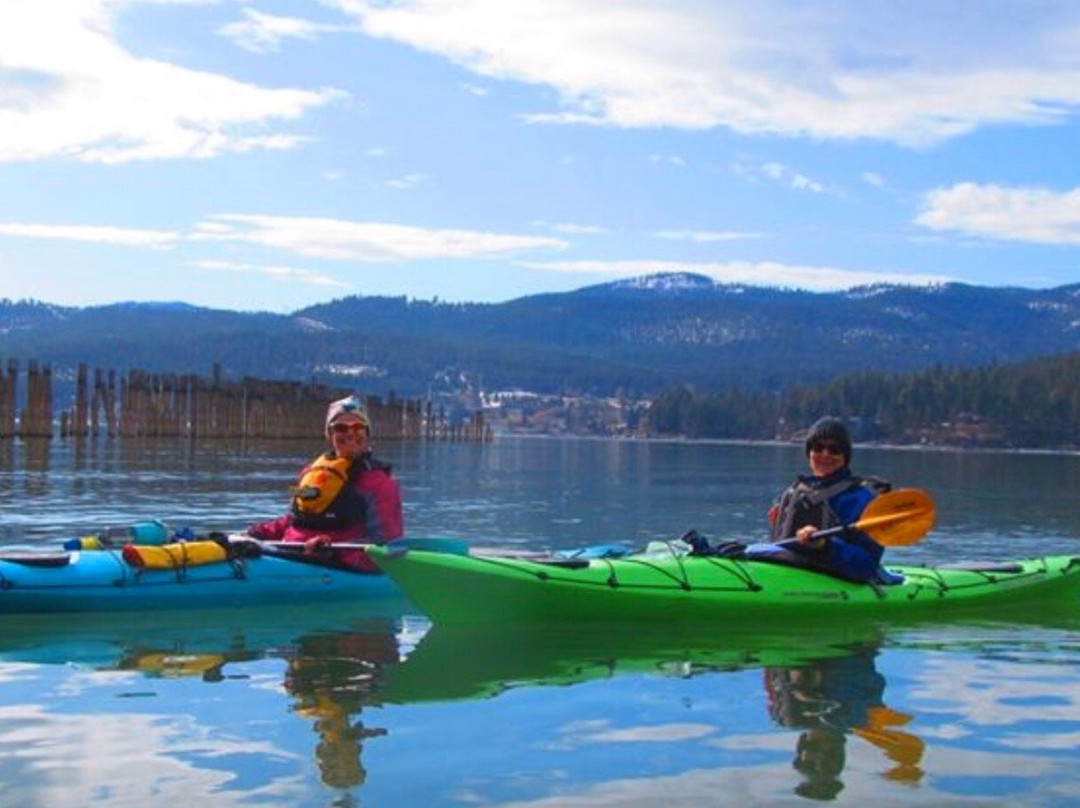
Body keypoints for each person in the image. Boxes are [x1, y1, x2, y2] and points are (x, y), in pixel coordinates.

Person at [247, 395, 403, 572]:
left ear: (367, 434)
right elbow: (292, 520)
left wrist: (331, 551)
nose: (350, 433)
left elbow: (385, 546)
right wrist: (255, 533)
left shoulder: (381, 484)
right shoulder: (309, 473)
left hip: (334, 566)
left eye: (358, 427)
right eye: (341, 428)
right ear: (330, 434)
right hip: (287, 553)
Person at [746, 416, 892, 583]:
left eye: (834, 449)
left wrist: (826, 545)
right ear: (809, 453)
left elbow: (867, 566)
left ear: (845, 456)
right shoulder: (796, 492)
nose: (825, 454)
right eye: (818, 447)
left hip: (834, 580)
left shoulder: (864, 501)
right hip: (786, 570)